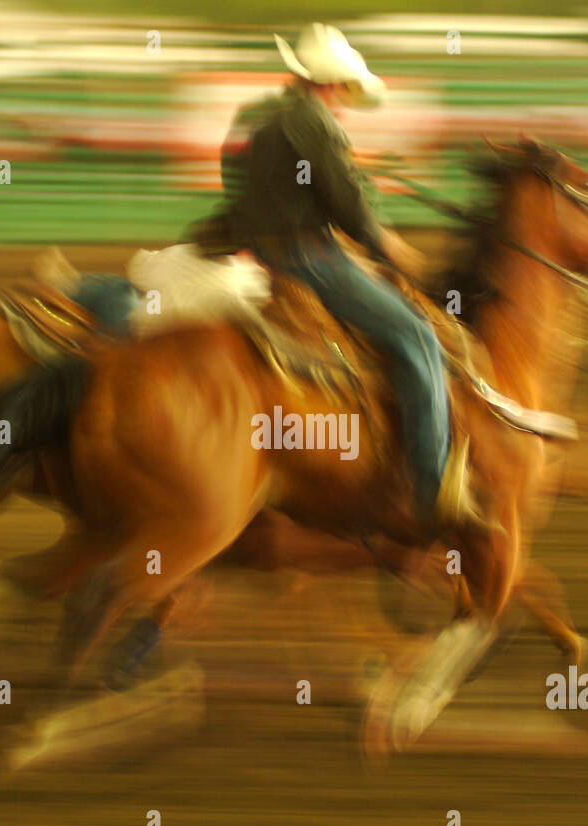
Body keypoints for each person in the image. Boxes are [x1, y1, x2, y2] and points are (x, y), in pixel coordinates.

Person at [193, 23, 451, 529]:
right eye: (346, 92)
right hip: (311, 258)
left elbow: (240, 178)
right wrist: (389, 246)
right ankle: (432, 486)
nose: (346, 103)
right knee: (418, 336)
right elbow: (348, 207)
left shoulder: (257, 116)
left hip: (262, 252)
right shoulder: (315, 123)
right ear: (333, 84)